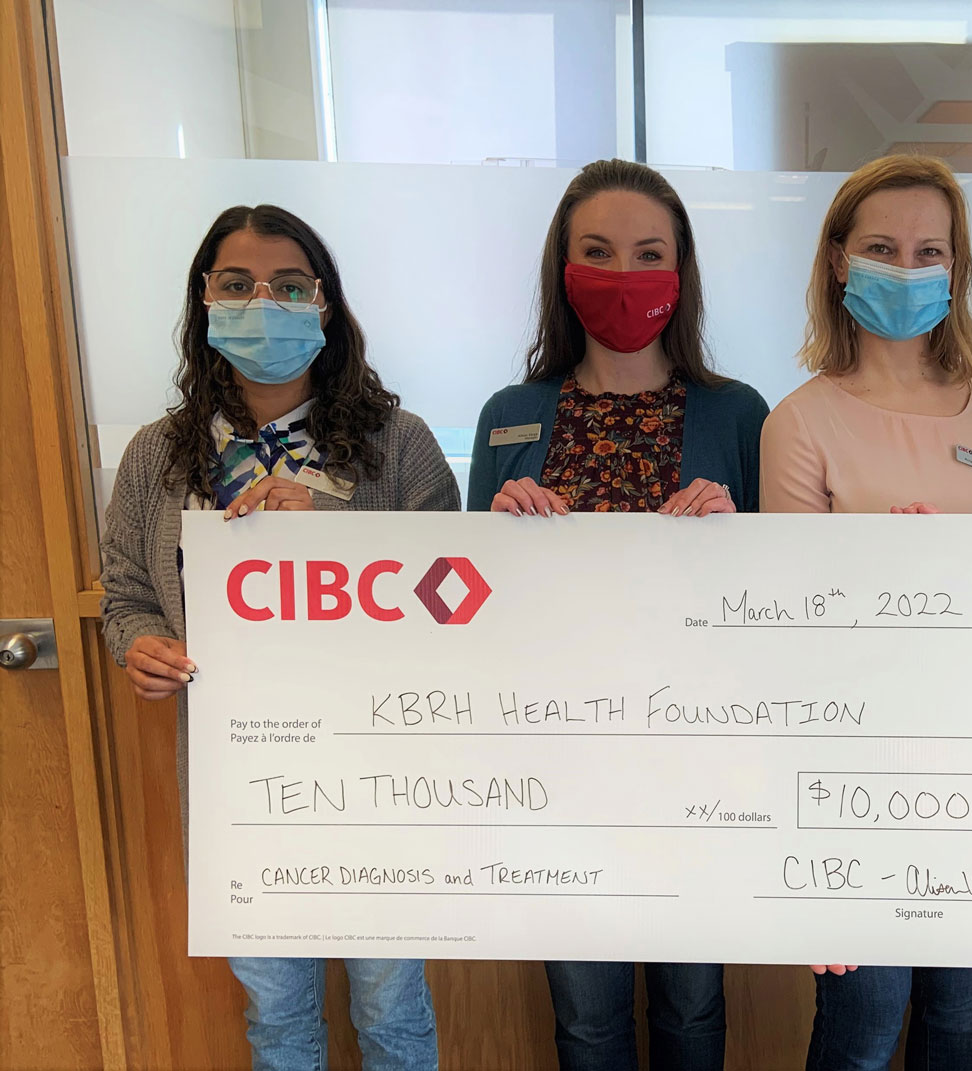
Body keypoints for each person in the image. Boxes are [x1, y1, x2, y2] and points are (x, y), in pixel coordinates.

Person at [100, 204, 456, 1071]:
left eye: (290, 286)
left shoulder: (400, 446)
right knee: (277, 1016)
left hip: (379, 777)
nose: (263, 302)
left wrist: (333, 537)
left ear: (324, 303)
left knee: (391, 1008)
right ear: (205, 300)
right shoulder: (156, 456)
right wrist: (138, 645)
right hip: (240, 784)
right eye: (237, 284)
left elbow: (453, 603)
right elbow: (126, 595)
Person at [468, 158, 768, 1070]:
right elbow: (471, 610)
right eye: (597, 252)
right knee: (588, 1018)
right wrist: (499, 533)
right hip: (561, 765)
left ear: (681, 270)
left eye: (648, 253)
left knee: (692, 1006)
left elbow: (779, 605)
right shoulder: (510, 414)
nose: (624, 274)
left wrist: (735, 533)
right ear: (563, 269)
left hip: (697, 761)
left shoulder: (738, 414)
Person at [761, 154, 972, 1070]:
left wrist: (954, 578)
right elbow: (790, 631)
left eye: (930, 251)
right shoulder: (799, 421)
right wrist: (879, 583)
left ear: (956, 268)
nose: (907, 266)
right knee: (865, 1021)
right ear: (838, 259)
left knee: (961, 1015)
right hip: (858, 770)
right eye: (882, 248)